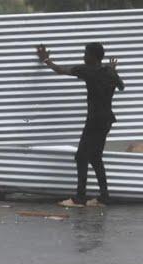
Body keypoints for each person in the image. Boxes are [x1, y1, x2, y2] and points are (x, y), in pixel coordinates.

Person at [36, 42, 125, 207]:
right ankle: (104, 197)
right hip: (106, 120)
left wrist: (46, 59)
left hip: (94, 120)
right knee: (95, 157)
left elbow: (60, 70)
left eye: (85, 53)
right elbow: (121, 87)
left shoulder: (86, 69)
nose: (83, 56)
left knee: (81, 157)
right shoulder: (108, 71)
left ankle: (79, 198)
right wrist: (113, 70)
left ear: (93, 56)